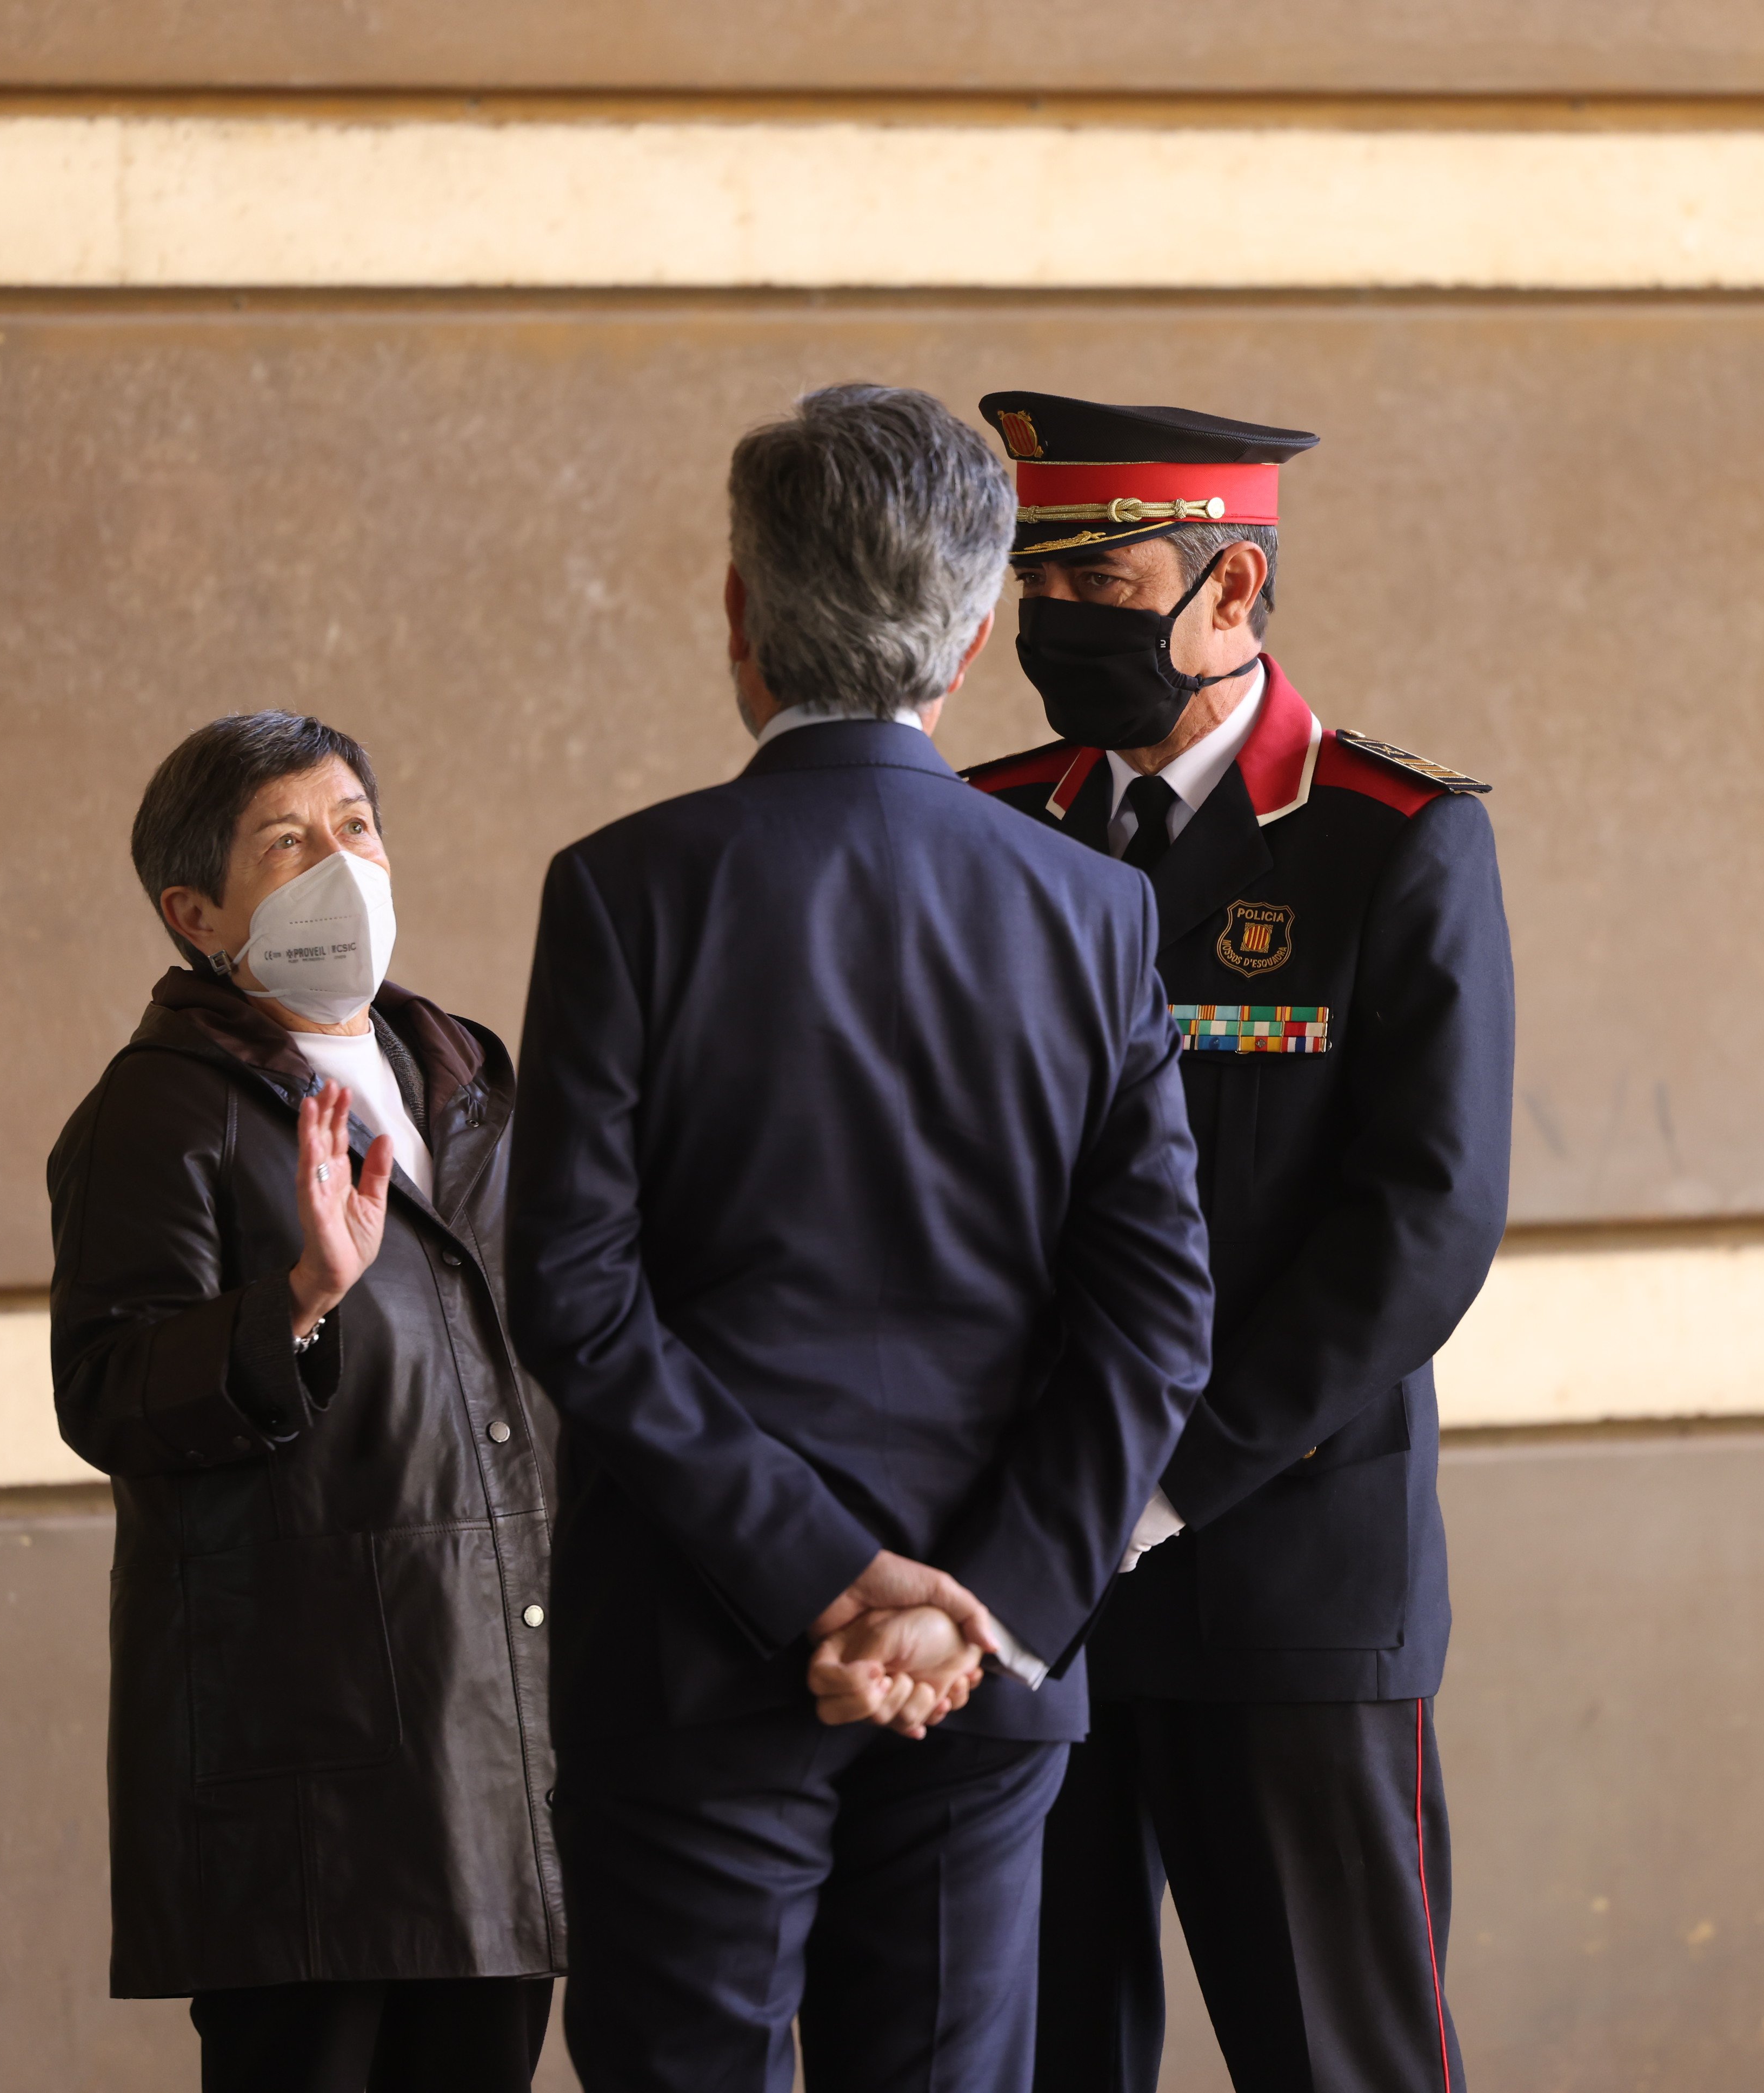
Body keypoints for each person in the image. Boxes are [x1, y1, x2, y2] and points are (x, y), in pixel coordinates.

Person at [505, 383, 1217, 2093]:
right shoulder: (1098, 911)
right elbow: (1158, 1323)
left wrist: (824, 1576)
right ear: (975, 641)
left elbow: (577, 1298)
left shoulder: (625, 889)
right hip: (985, 1678)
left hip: (694, 1650)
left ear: (740, 613)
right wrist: (980, 1607)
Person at [966, 393, 1516, 2093]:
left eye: (1110, 578)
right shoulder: (989, 828)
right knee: (1035, 2055)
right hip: (1020, 1587)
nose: (1063, 625)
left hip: (1285, 1574)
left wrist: (1163, 1483)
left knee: (1334, 2057)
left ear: (1233, 590)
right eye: (1038, 586)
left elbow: (1421, 1227)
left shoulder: (1389, 843)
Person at [46, 711, 563, 2093]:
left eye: (355, 825)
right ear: (194, 912)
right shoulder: (158, 1115)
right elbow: (107, 1393)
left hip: (491, 1753)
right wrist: (295, 1305)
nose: (342, 862)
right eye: (287, 842)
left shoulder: (465, 1083)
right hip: (308, 1785)